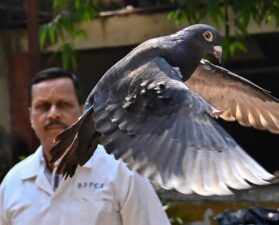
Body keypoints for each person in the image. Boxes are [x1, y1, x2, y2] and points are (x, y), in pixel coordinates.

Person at [0, 68, 171, 225]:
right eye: (43, 106)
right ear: (31, 116)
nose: (53, 114)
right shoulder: (13, 183)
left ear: (81, 112)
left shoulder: (121, 171)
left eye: (63, 104)